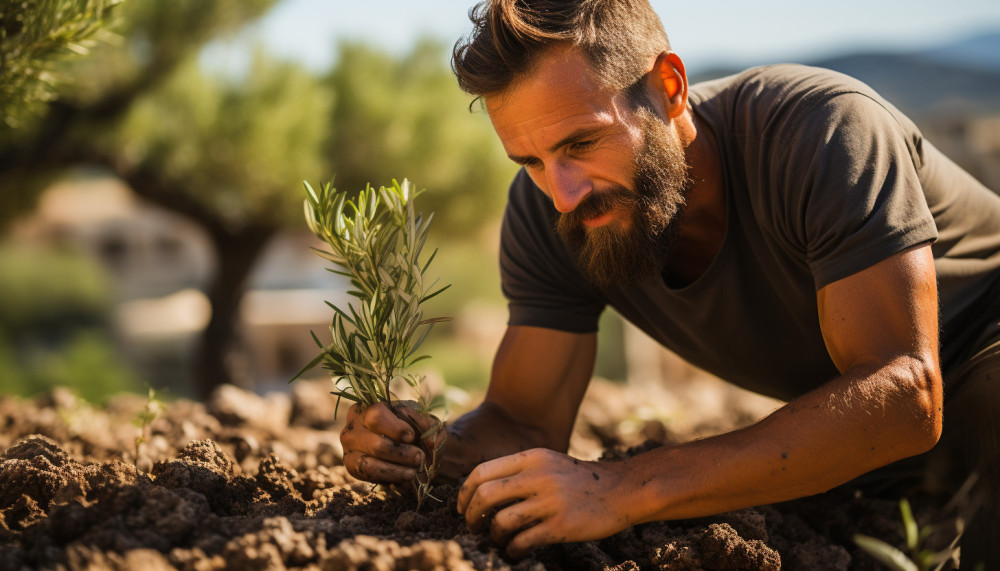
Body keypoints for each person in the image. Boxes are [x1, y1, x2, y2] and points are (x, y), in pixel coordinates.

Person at [339, 0, 1000, 565]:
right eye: (530, 160)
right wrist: (421, 451)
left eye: (580, 143)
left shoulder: (823, 131)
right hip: (886, 458)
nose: (563, 193)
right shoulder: (551, 212)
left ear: (670, 87)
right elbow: (525, 419)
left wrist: (624, 487)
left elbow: (904, 397)